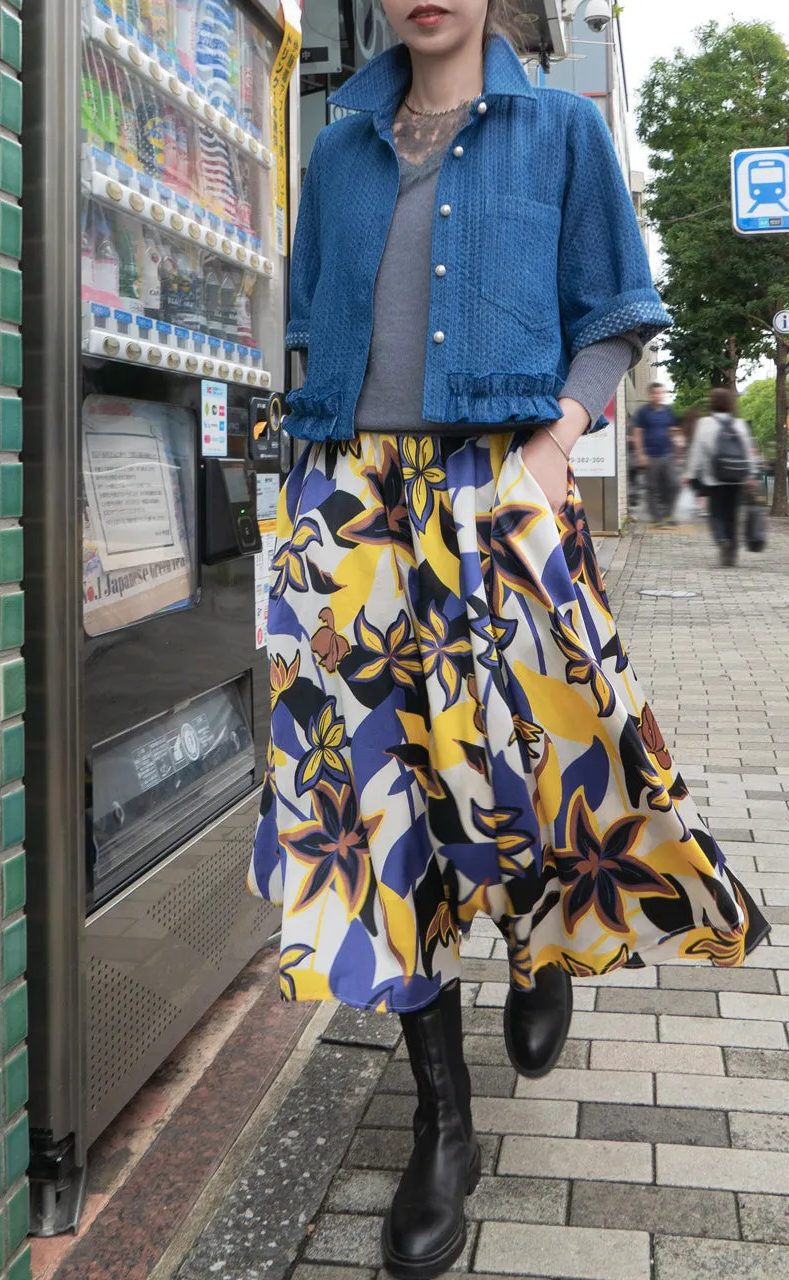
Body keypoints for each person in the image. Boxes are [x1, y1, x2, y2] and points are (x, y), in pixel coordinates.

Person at [247, 4, 769, 1276]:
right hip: (353, 506)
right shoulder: (338, 145)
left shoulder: (564, 129)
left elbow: (616, 310)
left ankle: (544, 940)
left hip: (500, 496)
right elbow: (313, 327)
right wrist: (301, 506)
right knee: (374, 814)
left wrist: (549, 447)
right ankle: (443, 1116)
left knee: (535, 772)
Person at [687, 387, 757, 566]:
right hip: (737, 478)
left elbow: (697, 451)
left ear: (712, 403)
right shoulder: (739, 424)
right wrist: (751, 474)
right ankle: (732, 548)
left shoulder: (704, 424)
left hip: (714, 478)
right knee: (733, 515)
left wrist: (690, 473)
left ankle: (722, 539)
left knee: (716, 514)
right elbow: (749, 451)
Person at [632, 382, 680, 525]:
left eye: (660, 393)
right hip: (650, 456)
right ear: (650, 395)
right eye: (655, 393)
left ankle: (668, 515)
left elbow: (673, 430)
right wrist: (640, 454)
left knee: (674, 485)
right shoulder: (643, 412)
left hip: (667, 455)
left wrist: (677, 448)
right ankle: (657, 518)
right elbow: (637, 433)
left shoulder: (668, 411)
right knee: (652, 488)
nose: (658, 396)